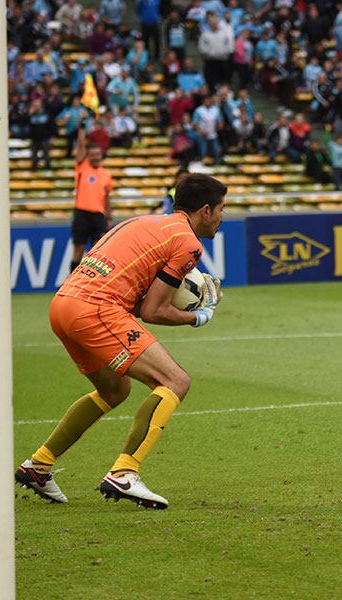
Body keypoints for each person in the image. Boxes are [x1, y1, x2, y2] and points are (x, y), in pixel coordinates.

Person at [15, 174, 227, 509]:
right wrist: (197, 316)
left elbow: (141, 300)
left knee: (115, 390)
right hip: (95, 309)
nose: (221, 217)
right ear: (204, 210)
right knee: (175, 381)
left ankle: (39, 465)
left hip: (63, 304)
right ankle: (125, 472)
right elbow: (154, 311)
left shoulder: (142, 222)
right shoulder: (188, 244)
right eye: (220, 209)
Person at [69, 125, 114, 273]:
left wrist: (109, 215)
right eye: (92, 154)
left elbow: (107, 197)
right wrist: (82, 127)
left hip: (98, 216)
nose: (95, 156)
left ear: (101, 155)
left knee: (99, 252)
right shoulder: (82, 167)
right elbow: (81, 144)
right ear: (87, 156)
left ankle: (94, 283)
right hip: (81, 213)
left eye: (97, 154)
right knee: (78, 250)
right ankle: (72, 283)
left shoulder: (106, 174)